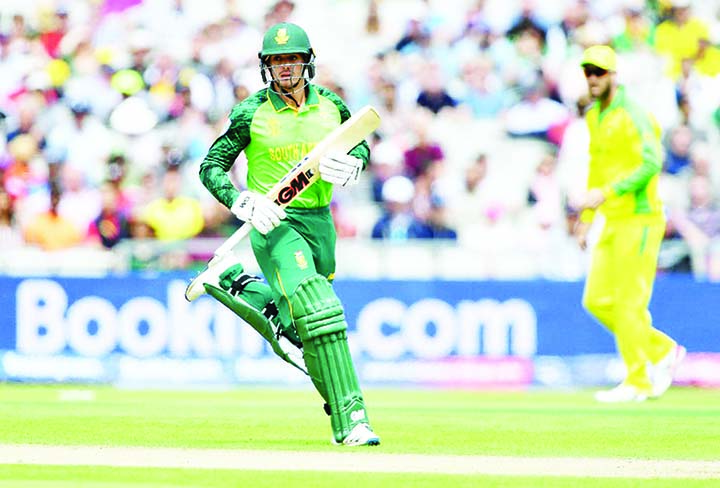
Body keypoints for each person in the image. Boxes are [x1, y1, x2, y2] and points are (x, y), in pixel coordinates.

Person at [193, 22, 380, 446]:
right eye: (277, 60)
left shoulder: (331, 104)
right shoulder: (250, 112)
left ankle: (240, 287)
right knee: (321, 309)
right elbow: (211, 166)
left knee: (305, 328)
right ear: (265, 66)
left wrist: (355, 163)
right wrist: (241, 201)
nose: (285, 68)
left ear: (307, 61)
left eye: (292, 58)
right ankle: (352, 419)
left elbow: (360, 142)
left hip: (321, 223)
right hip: (274, 223)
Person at [573, 45, 686, 403]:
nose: (592, 78)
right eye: (588, 71)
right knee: (595, 300)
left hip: (641, 218)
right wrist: (587, 217)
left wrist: (608, 192)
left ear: (613, 75)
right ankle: (661, 350)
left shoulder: (634, 113)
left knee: (628, 303)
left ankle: (638, 380)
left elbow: (653, 161)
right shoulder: (595, 117)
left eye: (599, 72)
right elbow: (596, 168)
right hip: (612, 218)